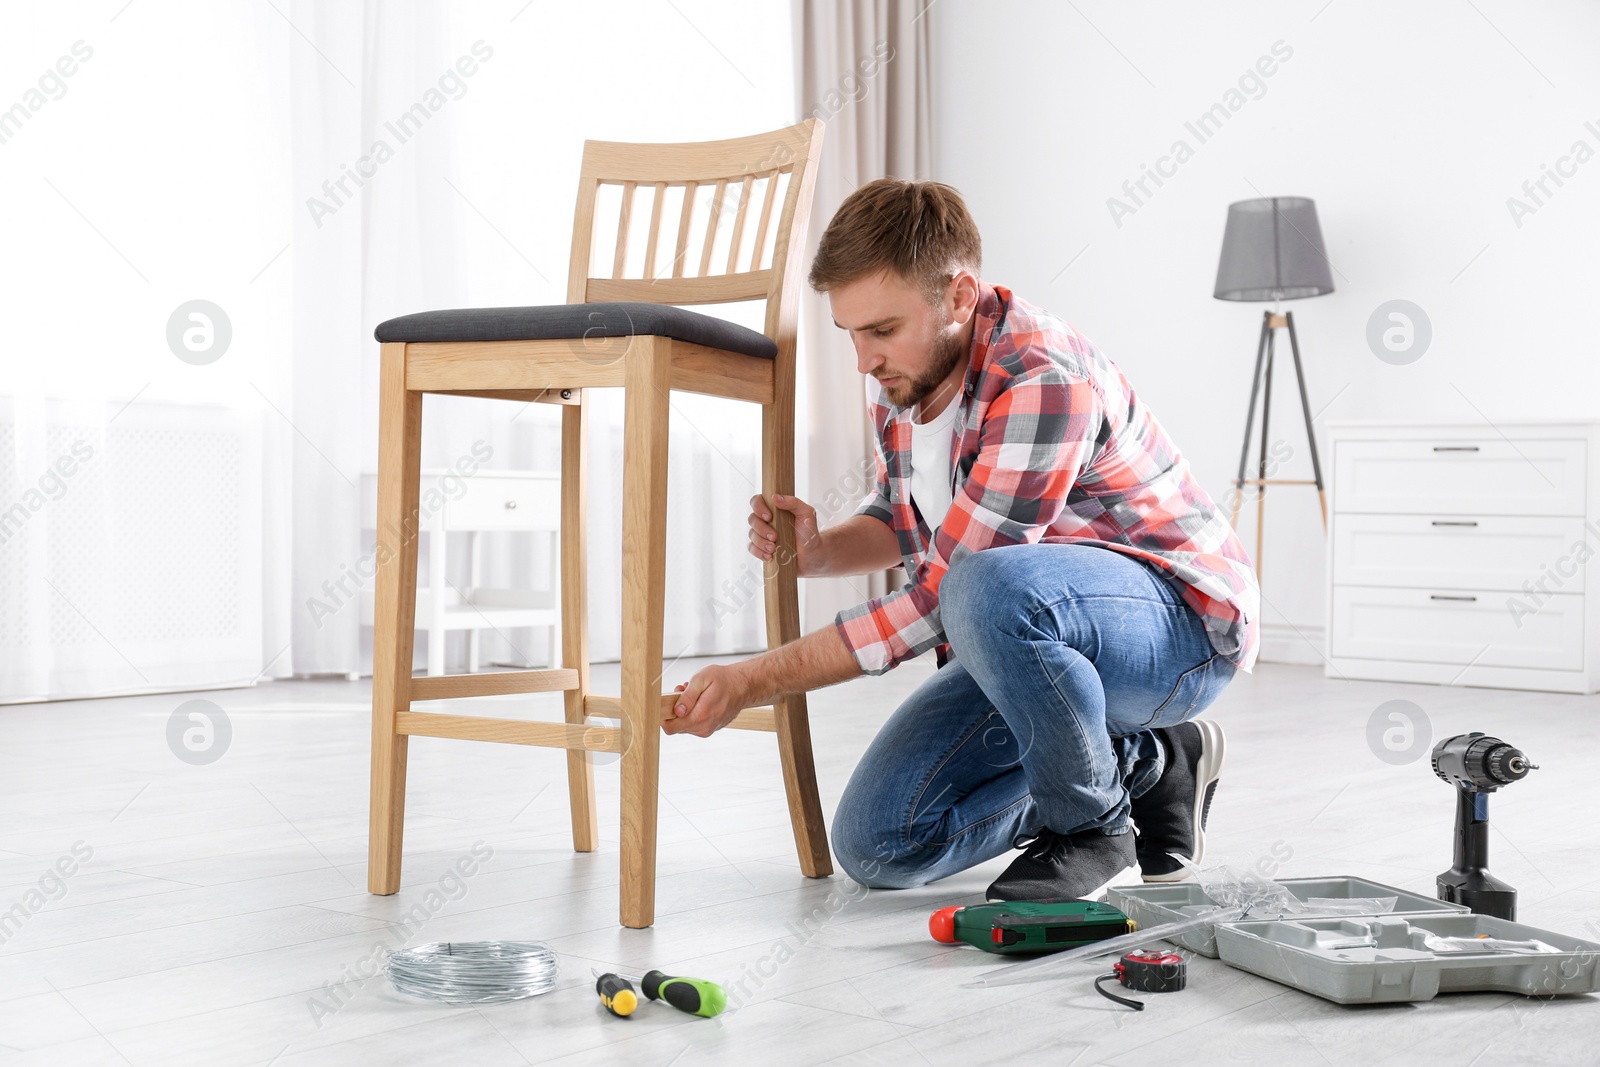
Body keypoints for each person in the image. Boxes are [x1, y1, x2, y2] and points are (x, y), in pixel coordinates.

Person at [665, 178, 1259, 902]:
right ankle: (1150, 764)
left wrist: (751, 678)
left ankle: (1094, 830)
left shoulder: (1042, 379)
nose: (863, 359)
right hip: (1035, 631)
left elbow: (944, 596)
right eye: (849, 332)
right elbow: (903, 520)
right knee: (879, 844)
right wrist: (820, 553)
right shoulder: (907, 382)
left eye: (881, 329)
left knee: (982, 585)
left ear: (958, 295)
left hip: (1178, 631)